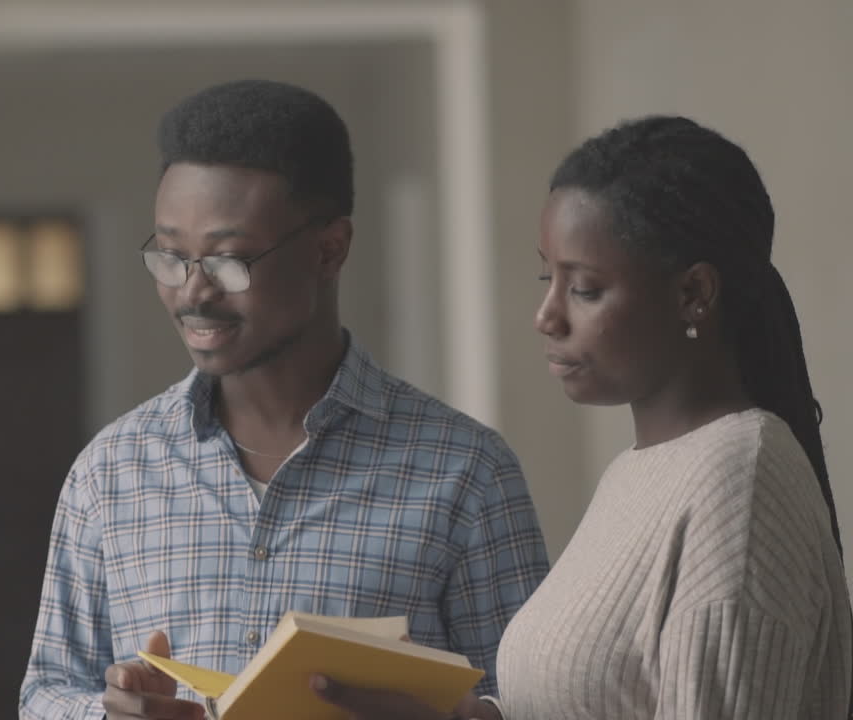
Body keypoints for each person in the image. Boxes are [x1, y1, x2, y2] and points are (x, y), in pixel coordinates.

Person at [18, 78, 549, 720]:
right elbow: (46, 691)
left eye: (228, 261)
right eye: (171, 256)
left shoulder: (466, 472)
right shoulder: (111, 472)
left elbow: (532, 702)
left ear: (330, 248)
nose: (191, 293)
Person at [313, 115, 853, 719]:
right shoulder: (639, 473)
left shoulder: (739, 484)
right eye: (550, 277)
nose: (547, 316)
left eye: (585, 289)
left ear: (692, 292)